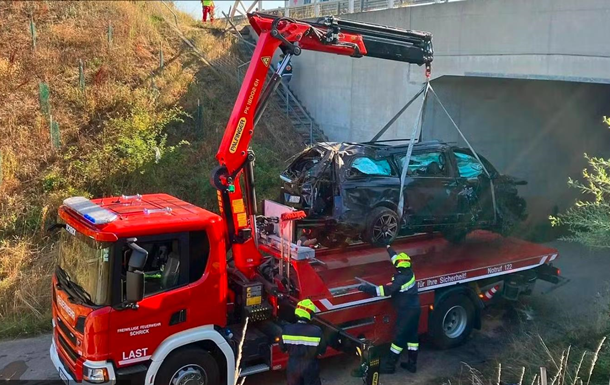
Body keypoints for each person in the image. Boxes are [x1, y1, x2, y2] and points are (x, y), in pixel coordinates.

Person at [358, 245, 420, 374]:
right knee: (413, 338)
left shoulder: (401, 279)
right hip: (414, 310)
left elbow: (386, 291)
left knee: (399, 338)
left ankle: (390, 365)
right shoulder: (409, 272)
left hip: (406, 312)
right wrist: (388, 247)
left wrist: (367, 289)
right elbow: (395, 257)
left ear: (399, 266)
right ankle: (412, 364)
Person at [280, 299, 327, 385]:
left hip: (293, 367)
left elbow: (283, 349)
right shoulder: (316, 331)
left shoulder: (287, 329)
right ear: (310, 314)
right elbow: (322, 351)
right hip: (310, 366)